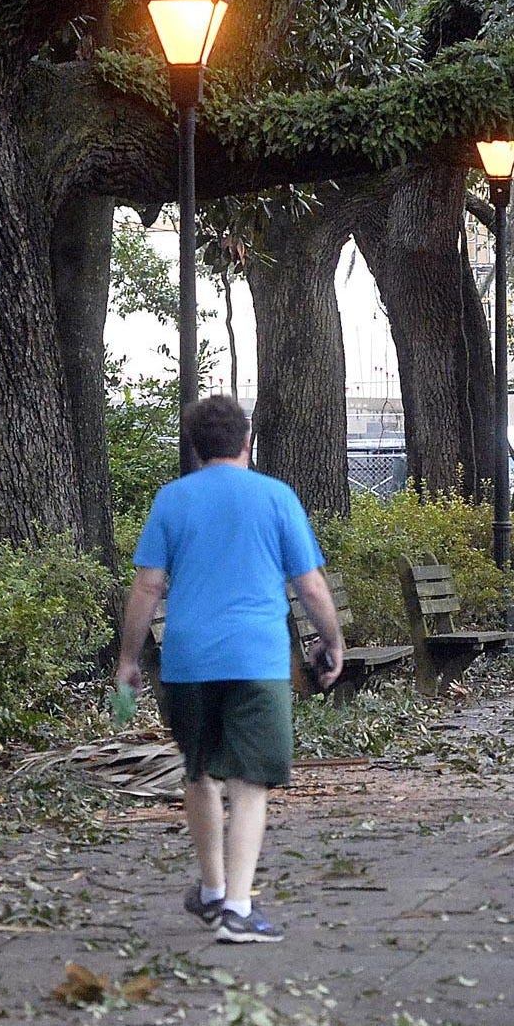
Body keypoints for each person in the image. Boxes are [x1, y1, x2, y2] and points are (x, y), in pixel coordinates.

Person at [116, 395, 344, 944]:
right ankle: (238, 910)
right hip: (256, 660)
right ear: (247, 440)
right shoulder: (276, 497)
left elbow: (148, 585)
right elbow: (309, 584)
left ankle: (213, 890)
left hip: (189, 660)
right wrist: (331, 640)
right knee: (249, 782)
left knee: (198, 771)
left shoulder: (172, 500)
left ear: (194, 446)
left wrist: (127, 658)